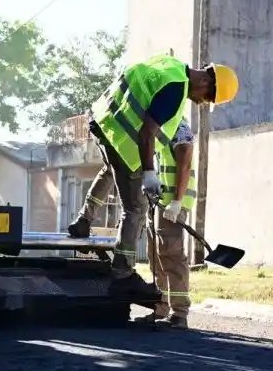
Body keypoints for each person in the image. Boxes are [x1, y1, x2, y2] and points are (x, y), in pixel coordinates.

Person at [67, 54, 239, 300]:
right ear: (205, 81)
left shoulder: (169, 65)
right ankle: (122, 274)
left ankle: (84, 220)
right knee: (135, 208)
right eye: (207, 98)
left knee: (109, 170)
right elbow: (147, 133)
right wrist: (148, 173)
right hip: (122, 137)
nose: (202, 103)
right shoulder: (175, 91)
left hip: (104, 120)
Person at [143, 118, 197, 328]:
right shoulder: (161, 127)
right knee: (155, 256)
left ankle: (179, 313)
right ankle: (161, 306)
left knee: (171, 255)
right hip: (160, 201)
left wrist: (176, 203)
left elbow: (185, 160)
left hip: (173, 203)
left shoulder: (179, 127)